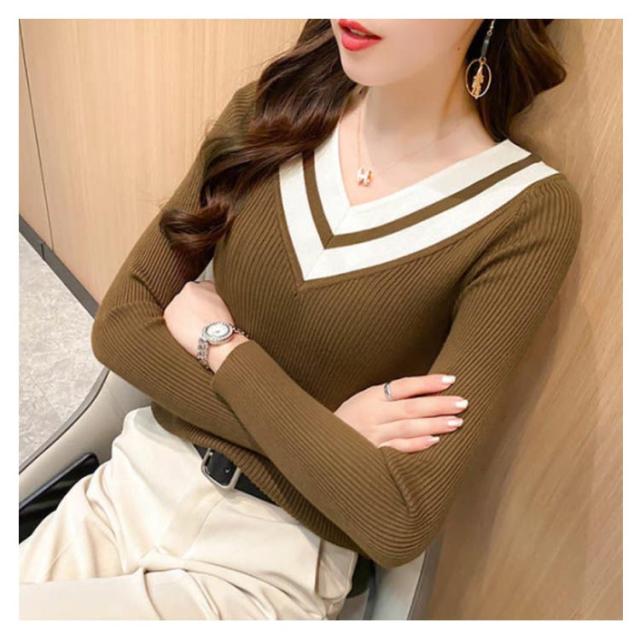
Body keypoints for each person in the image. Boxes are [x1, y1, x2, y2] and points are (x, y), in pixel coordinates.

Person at [19, 18, 582, 619]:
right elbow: (121, 327)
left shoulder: (524, 212)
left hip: (265, 567)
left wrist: (224, 347)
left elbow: (399, 517)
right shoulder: (273, 112)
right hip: (130, 486)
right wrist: (325, 434)